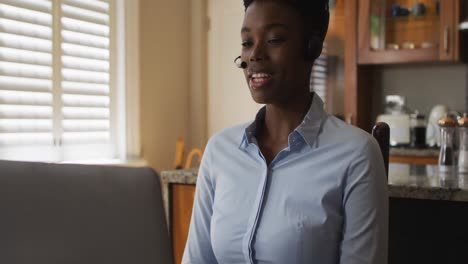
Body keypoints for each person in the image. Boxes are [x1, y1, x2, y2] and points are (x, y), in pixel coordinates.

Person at [182, 0, 388, 263]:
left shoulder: (356, 155)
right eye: (247, 43)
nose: (255, 54)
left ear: (311, 47)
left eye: (274, 39)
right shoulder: (219, 151)